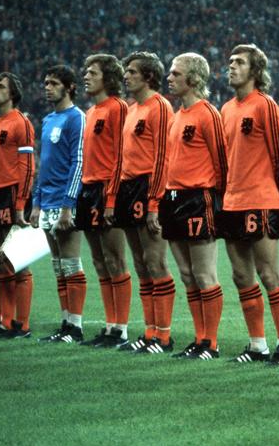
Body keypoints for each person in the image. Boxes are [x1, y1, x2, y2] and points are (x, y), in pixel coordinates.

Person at [218, 44, 279, 366]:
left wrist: (272, 195)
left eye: (239, 62)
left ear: (255, 70)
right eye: (230, 62)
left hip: (260, 200)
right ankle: (257, 344)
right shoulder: (226, 109)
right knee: (240, 275)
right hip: (232, 201)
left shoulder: (265, 105)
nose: (231, 67)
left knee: (268, 273)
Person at [160, 53, 227, 360]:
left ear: (194, 78)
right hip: (173, 199)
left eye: (175, 73)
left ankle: (211, 343)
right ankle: (200, 338)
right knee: (187, 274)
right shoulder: (177, 116)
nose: (169, 78)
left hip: (199, 199)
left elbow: (221, 162)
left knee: (203, 274)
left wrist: (217, 200)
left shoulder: (207, 114)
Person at [114, 51, 175, 354]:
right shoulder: (130, 109)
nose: (126, 76)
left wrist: (155, 202)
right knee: (140, 264)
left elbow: (164, 156)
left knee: (155, 261)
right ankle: (150, 332)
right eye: (126, 71)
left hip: (148, 187)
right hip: (127, 187)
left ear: (149, 76)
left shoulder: (160, 107)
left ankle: (163, 335)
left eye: (133, 71)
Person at [76, 54, 132, 348]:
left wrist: (111, 198)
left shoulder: (118, 108)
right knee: (99, 261)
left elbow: (122, 155)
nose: (86, 76)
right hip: (88, 189)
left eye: (92, 72)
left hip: (108, 190)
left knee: (115, 258)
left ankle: (121, 329)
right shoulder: (91, 111)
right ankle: (110, 325)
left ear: (107, 77)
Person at [31, 65, 87, 344]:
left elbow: (78, 162)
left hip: (66, 201)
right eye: (46, 82)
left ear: (69, 87)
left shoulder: (77, 118)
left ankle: (75, 326)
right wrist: (36, 202)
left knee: (71, 262)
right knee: (57, 265)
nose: (47, 87)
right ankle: (65, 323)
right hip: (47, 199)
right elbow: (43, 164)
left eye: (53, 83)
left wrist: (69, 204)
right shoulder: (48, 119)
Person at [0, 72, 35, 338]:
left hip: (11, 193)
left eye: (1, 86)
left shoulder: (21, 122)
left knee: (18, 261)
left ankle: (22, 325)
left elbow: (27, 167)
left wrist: (20, 203)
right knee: (0, 258)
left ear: (12, 93)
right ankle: (4, 321)